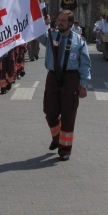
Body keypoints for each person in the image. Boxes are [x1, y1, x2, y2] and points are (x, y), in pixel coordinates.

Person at [37, 10, 90, 161]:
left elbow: (85, 64)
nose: (60, 22)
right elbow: (36, 34)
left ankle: (65, 149)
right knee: (49, 111)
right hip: (53, 77)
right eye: (58, 20)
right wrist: (44, 23)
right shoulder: (50, 36)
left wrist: (83, 85)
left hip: (70, 79)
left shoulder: (79, 41)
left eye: (64, 20)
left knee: (68, 114)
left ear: (71, 23)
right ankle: (56, 137)